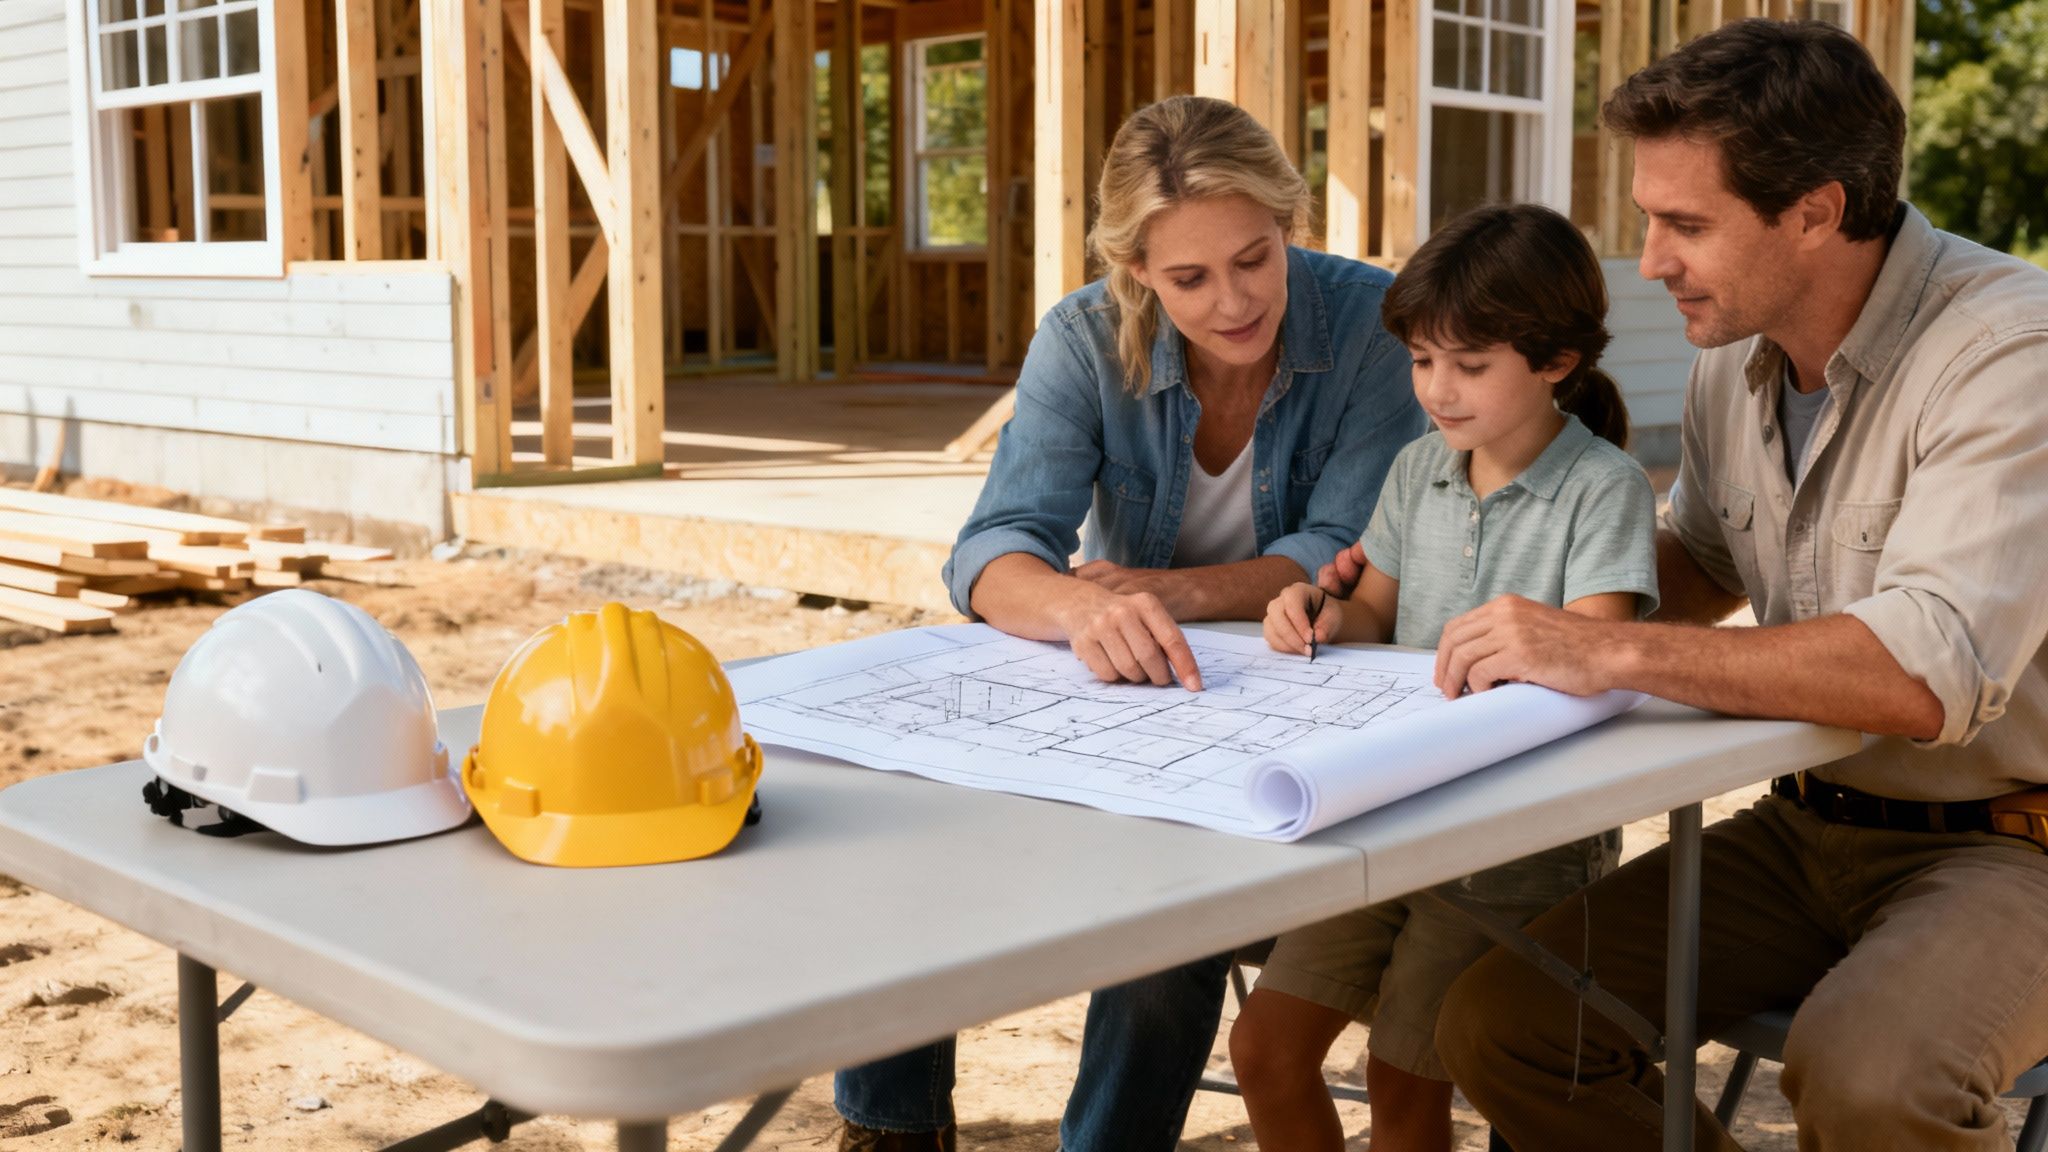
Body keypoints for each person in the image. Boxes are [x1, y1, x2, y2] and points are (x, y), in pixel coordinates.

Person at [1406, 20, 2048, 1152]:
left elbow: (1921, 669)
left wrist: (1606, 652)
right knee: (1506, 1022)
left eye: (1684, 225)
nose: (1649, 260)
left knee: (1866, 1081)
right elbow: (1695, 563)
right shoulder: (1726, 357)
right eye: (1650, 218)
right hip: (1803, 822)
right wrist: (1439, 592)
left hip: (2010, 844)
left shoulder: (2012, 351)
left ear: (1815, 210)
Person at [835, 94, 1428, 1152]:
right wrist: (1072, 603)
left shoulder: (1378, 329)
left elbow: (1345, 547)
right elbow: (992, 547)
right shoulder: (1081, 336)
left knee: (1170, 919)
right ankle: (889, 1131)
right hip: (1122, 689)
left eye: (1254, 258)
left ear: (1288, 221)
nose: (1234, 301)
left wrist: (1161, 594)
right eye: (1188, 277)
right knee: (905, 823)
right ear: (1135, 268)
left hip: (1295, 692)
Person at [1236, 202, 1657, 1152]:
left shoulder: (1604, 489)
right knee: (1264, 1047)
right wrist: (1321, 612)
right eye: (1424, 360)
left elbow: (1599, 658)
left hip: (1517, 846)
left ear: (1555, 361)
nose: (1437, 389)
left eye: (1470, 365)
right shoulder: (1418, 468)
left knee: (1402, 1073)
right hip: (1386, 812)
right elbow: (1376, 613)